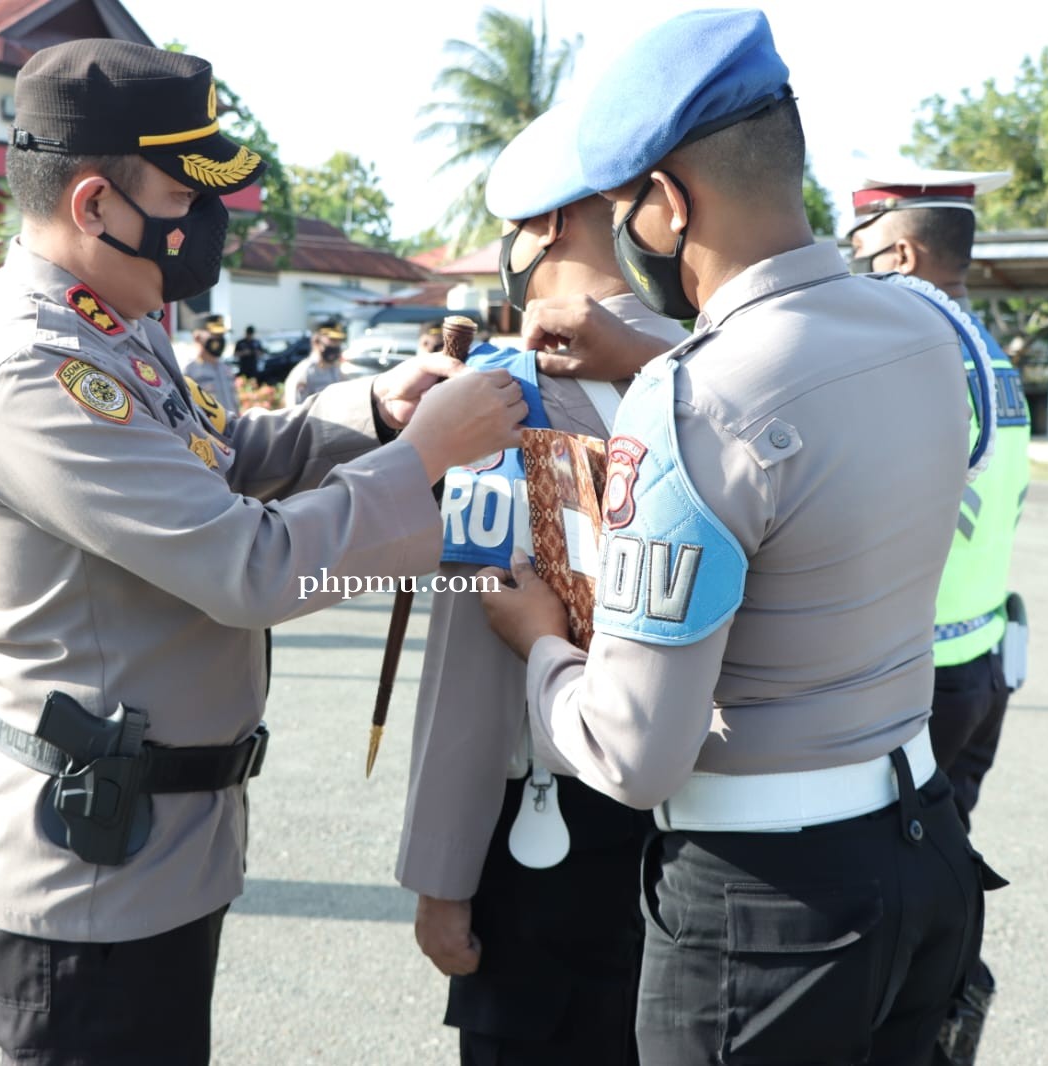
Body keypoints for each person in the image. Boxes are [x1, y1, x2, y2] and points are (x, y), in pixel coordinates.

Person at [0, 39, 527, 1065]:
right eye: (181, 192)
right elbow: (251, 570)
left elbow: (215, 454)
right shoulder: (34, 372)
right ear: (93, 205)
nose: (207, 220)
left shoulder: (109, 321)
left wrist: (376, 413)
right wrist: (428, 456)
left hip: (151, 852)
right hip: (85, 882)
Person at [474, 10, 1003, 1064]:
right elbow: (789, 375)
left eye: (626, 207)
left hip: (767, 910)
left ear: (667, 206)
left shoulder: (686, 405)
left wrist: (540, 644)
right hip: (923, 848)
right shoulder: (920, 331)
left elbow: (633, 751)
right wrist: (652, 348)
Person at [398, 101, 686, 1066]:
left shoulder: (504, 390)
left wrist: (440, 871)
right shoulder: (716, 362)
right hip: (712, 828)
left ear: (547, 226)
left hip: (556, 832)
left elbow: (474, 646)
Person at [848, 167, 1032, 1066]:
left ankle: (934, 1020)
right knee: (939, 871)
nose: (856, 273)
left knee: (884, 898)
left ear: (905, 252)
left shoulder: (909, 338)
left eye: (864, 253)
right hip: (980, 659)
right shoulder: (985, 348)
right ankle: (948, 1007)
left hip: (919, 673)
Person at [181, 318, 240, 417]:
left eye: (221, 335)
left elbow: (234, 403)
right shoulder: (189, 371)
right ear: (197, 337)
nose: (220, 340)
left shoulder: (226, 369)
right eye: (214, 335)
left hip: (232, 428)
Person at [283, 323, 348, 404]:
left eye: (338, 341)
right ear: (317, 342)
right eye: (332, 340)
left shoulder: (336, 369)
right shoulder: (304, 372)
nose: (336, 345)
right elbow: (296, 409)